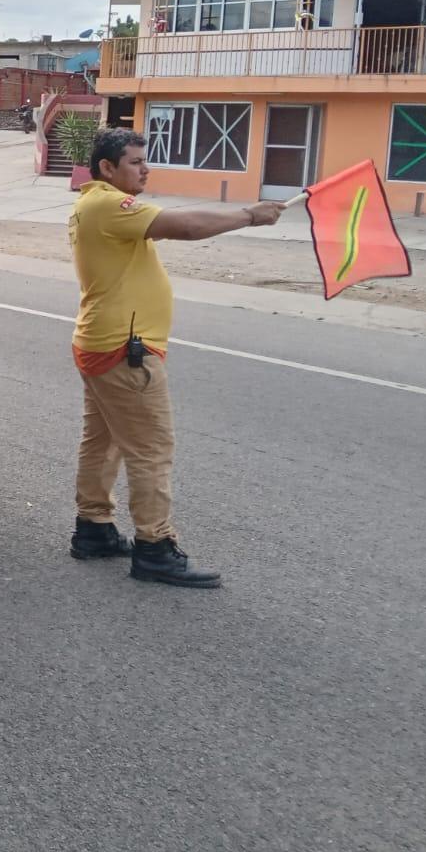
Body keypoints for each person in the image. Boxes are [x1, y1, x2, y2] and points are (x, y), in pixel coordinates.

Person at [68, 127, 282, 588]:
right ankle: (155, 548)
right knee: (151, 449)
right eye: (135, 162)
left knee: (103, 441)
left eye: (145, 161)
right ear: (107, 167)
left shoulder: (96, 204)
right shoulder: (108, 204)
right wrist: (249, 215)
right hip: (124, 351)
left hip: (103, 342)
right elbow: (185, 226)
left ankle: (94, 528)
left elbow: (167, 227)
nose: (145, 169)